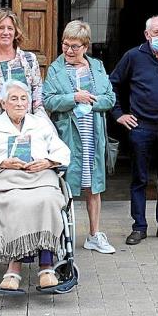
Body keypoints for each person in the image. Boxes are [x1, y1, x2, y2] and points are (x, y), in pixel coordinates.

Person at [0, 81, 71, 290]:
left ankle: (46, 266)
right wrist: (2, 162)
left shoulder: (41, 124)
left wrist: (48, 162)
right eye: (14, 99)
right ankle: (14, 267)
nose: (20, 103)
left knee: (48, 199)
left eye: (24, 99)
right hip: (5, 178)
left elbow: (63, 152)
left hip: (39, 176)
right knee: (15, 202)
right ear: (3, 103)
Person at [109, 16, 158, 245]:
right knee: (139, 179)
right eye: (157, 32)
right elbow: (112, 83)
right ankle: (139, 227)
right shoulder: (133, 56)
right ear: (147, 34)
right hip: (140, 128)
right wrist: (118, 114)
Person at [43, 20, 116, 254]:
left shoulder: (97, 66)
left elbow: (109, 98)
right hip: (68, 134)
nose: (68, 51)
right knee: (66, 186)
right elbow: (48, 100)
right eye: (65, 45)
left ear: (85, 46)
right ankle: (63, 236)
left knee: (93, 187)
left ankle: (94, 235)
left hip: (92, 132)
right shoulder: (56, 69)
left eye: (74, 46)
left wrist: (90, 102)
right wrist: (74, 98)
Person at [0, 7, 48, 128]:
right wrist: (4, 100)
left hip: (25, 129)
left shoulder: (30, 60)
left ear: (16, 32)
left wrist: (40, 125)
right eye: (1, 28)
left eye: (10, 28)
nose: (6, 32)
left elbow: (37, 100)